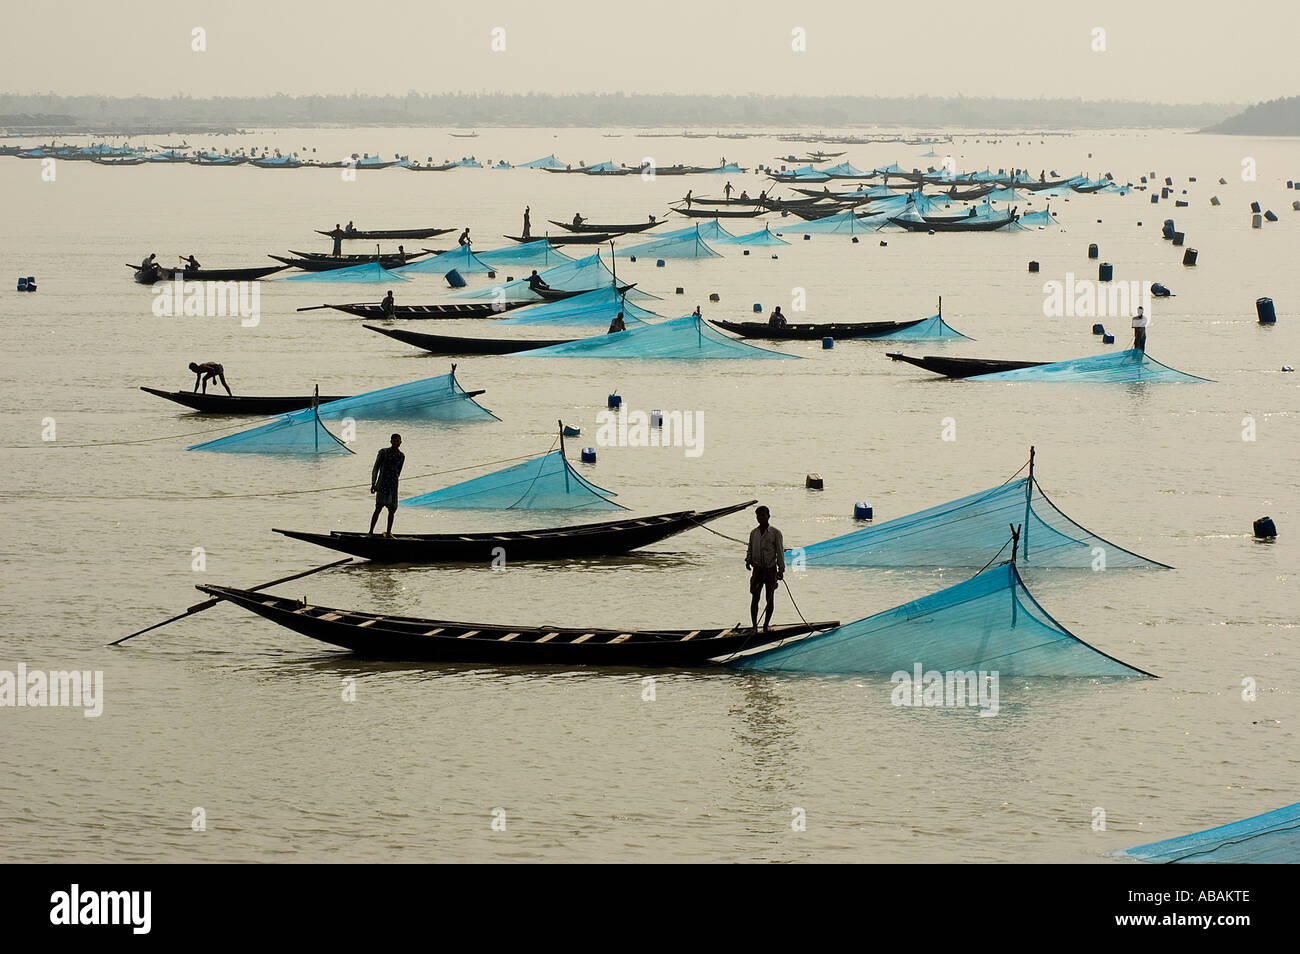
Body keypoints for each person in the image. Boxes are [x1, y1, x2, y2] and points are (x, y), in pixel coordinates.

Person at [745, 505, 784, 633]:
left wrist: (781, 570)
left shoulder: (775, 533)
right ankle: (754, 626)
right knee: (755, 597)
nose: (761, 518)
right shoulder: (753, 533)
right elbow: (750, 548)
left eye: (763, 515)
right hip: (757, 569)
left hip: (770, 569)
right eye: (758, 516)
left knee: (769, 598)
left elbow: (779, 552)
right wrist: (748, 560)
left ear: (768, 516)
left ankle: (766, 625)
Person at [369, 433, 405, 538]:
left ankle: (389, 532)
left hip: (393, 486)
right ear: (391, 442)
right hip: (382, 484)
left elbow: (398, 472)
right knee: (378, 508)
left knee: (392, 510)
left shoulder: (401, 456)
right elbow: (376, 468)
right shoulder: (383, 452)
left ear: (400, 442)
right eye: (394, 441)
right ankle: (370, 532)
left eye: (397, 441)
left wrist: (394, 483)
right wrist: (373, 483)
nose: (396, 443)